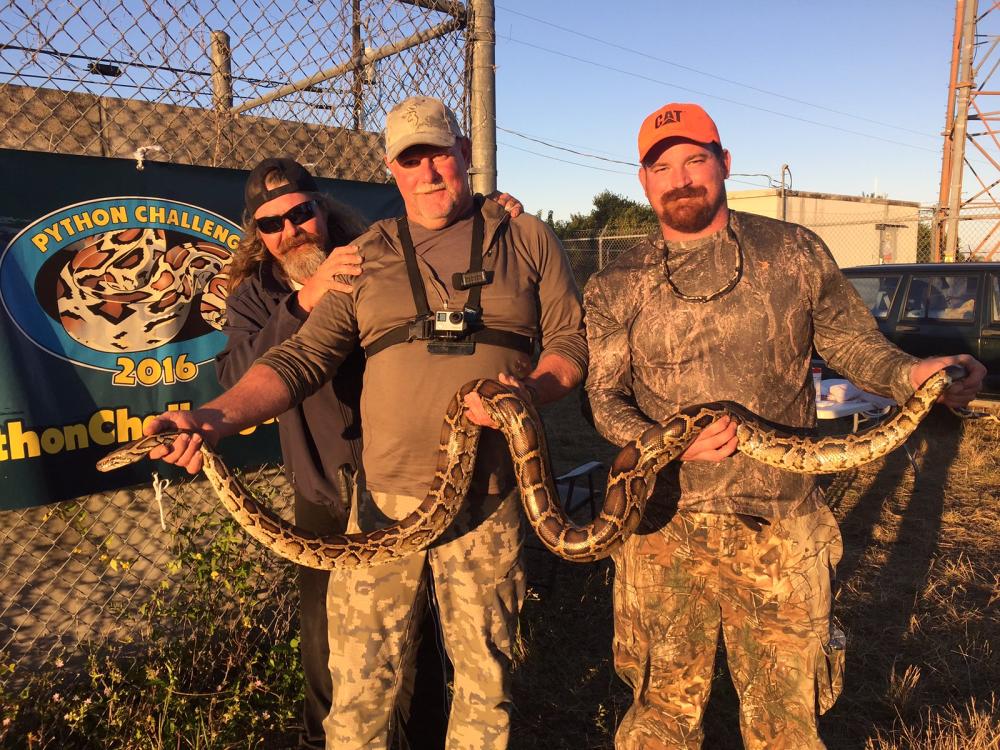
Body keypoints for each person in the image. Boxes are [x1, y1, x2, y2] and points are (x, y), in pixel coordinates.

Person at [147, 96, 588, 749]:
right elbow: (299, 358)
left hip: (490, 505)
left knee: (483, 690)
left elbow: (570, 346)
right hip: (381, 507)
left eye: (439, 153)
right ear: (392, 169)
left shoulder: (523, 236)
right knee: (357, 694)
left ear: (463, 152)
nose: (429, 171)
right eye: (412, 160)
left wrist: (527, 390)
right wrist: (213, 416)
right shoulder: (365, 255)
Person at [583, 102, 986, 750]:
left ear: (725, 164)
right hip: (661, 529)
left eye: (696, 159)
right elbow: (603, 398)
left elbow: (857, 348)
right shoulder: (615, 280)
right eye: (664, 166)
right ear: (644, 180)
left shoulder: (793, 253)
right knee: (660, 718)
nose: (681, 177)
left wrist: (916, 375)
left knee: (785, 725)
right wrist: (664, 448)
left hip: (781, 525)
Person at [219, 156, 523, 749]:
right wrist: (305, 300)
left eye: (301, 213)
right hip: (327, 491)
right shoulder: (256, 295)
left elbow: (451, 243)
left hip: (405, 482)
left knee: (425, 642)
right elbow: (236, 373)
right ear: (257, 235)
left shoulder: (375, 255)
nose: (291, 231)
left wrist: (496, 213)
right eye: (271, 224)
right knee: (333, 652)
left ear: (322, 208)